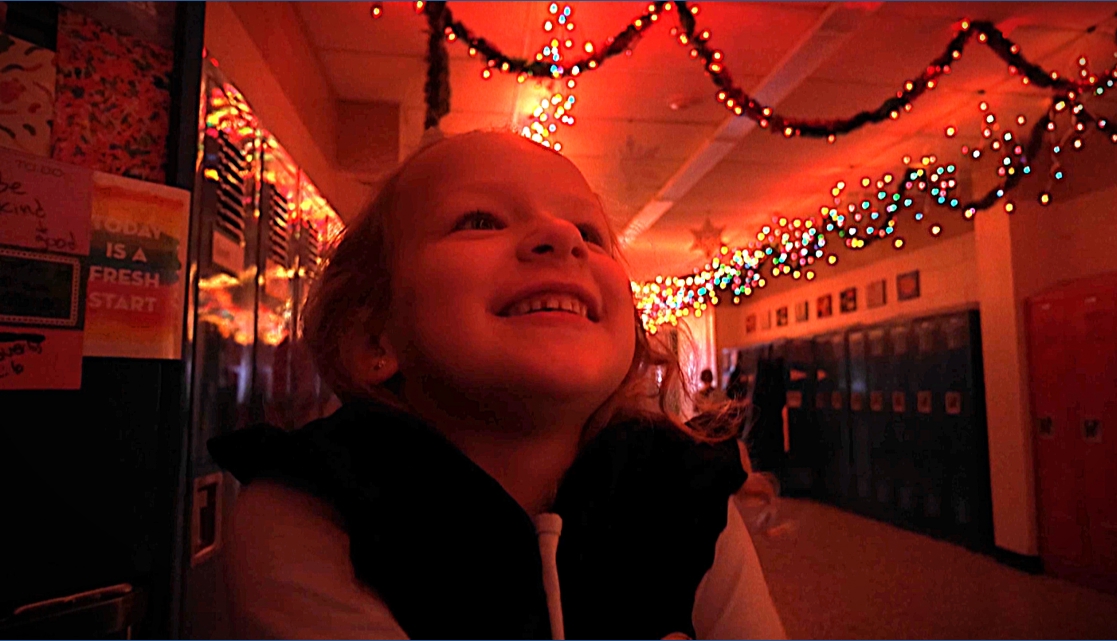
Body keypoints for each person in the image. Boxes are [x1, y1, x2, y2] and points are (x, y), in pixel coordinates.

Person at [207, 131, 786, 640]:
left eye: (589, 232)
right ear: (373, 339)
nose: (562, 236)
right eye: (480, 220)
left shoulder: (686, 494)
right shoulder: (309, 509)